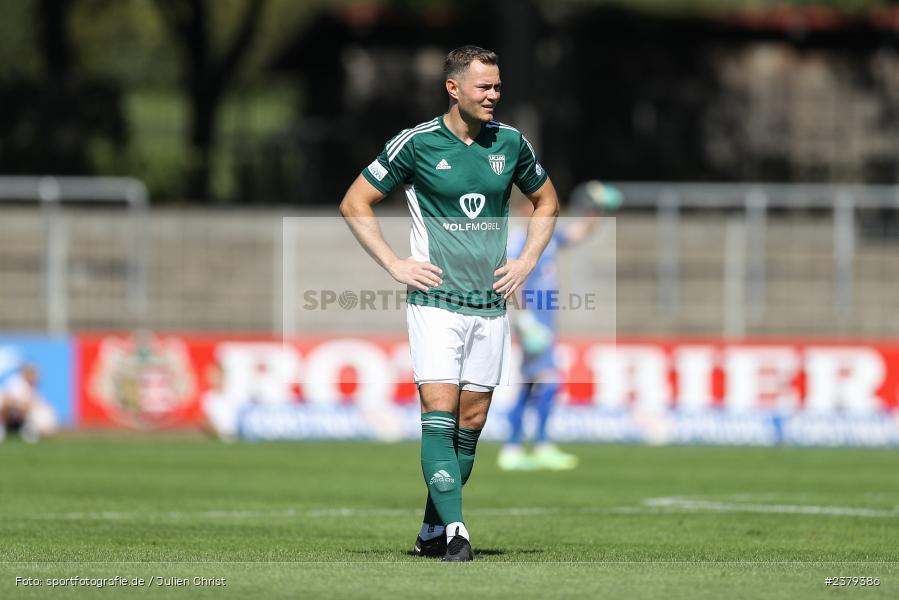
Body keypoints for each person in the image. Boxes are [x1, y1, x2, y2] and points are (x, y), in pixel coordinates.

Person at [339, 45, 559, 561]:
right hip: (435, 302)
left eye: (498, 86)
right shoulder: (415, 144)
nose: (494, 95)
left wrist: (526, 260)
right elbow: (354, 202)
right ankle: (457, 531)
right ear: (453, 88)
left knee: (472, 422)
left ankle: (430, 532)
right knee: (439, 412)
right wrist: (395, 264)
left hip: (490, 304)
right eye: (484, 86)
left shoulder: (511, 143)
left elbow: (547, 200)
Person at [498, 181, 622, 471]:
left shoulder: (546, 239)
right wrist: (524, 320)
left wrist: (594, 208)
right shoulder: (518, 240)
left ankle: (513, 448)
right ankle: (539, 444)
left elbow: (579, 233)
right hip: (532, 323)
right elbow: (511, 281)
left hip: (544, 322)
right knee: (550, 380)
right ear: (523, 210)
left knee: (529, 385)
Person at [0, 363, 58, 443]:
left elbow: (35, 404)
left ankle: (27, 429)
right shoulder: (15, 382)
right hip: (12, 411)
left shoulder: (32, 387)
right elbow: (8, 400)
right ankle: (3, 427)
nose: (35, 377)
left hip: (23, 415)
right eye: (32, 373)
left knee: (43, 418)